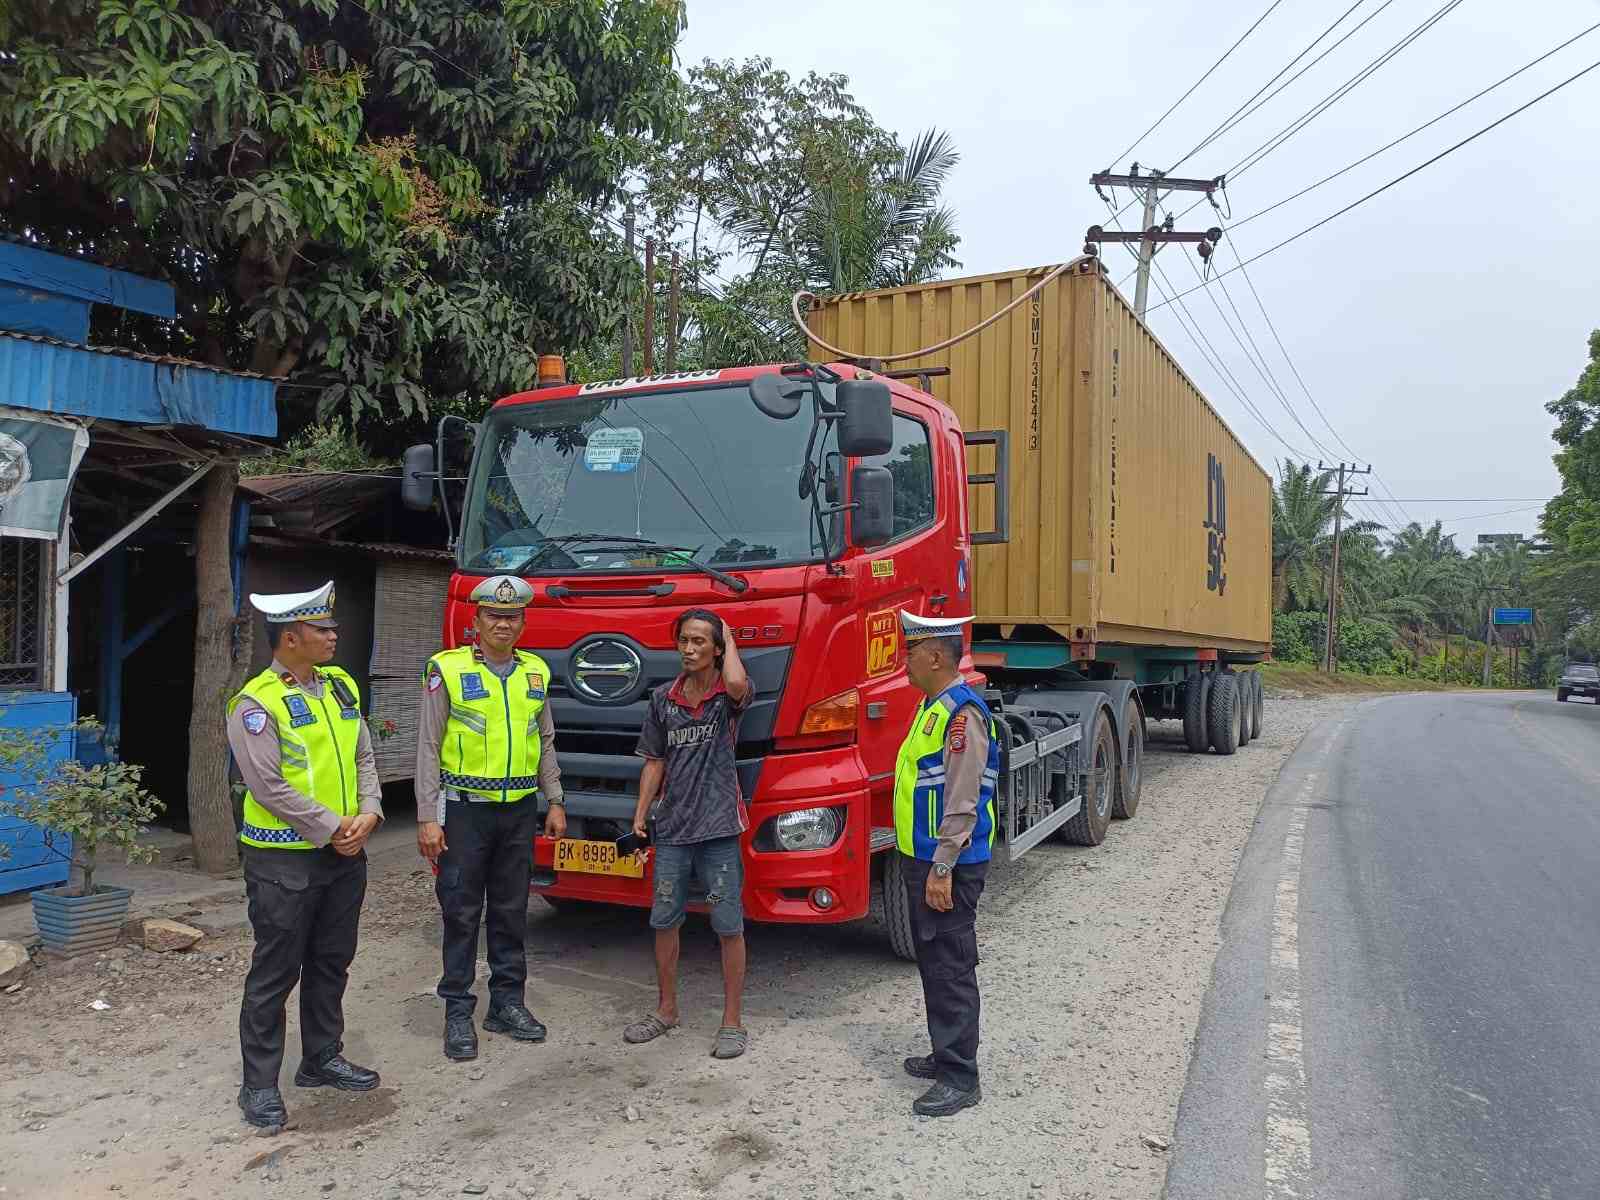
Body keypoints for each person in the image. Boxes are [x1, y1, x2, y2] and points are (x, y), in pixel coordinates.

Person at [226, 581, 383, 1131]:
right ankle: (259, 1084)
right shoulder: (255, 703)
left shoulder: (339, 686)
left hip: (344, 854)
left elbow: (363, 753)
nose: (334, 635)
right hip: (283, 861)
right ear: (290, 637)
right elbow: (266, 786)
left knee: (330, 962)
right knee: (275, 972)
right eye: (323, 629)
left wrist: (369, 811)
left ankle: (321, 1057)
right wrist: (332, 826)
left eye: (332, 627)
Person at [415, 574, 567, 1062]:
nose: (503, 623)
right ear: (476, 620)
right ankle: (458, 1011)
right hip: (463, 812)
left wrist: (556, 799)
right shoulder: (447, 669)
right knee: (460, 913)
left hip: (519, 811)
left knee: (510, 910)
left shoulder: (535, 673)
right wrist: (426, 815)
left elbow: (543, 739)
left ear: (523, 622)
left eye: (512, 616)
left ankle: (507, 1004)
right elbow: (428, 746)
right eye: (494, 615)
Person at [622, 608, 752, 1059]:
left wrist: (729, 639)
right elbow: (654, 761)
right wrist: (640, 815)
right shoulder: (662, 699)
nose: (690, 648)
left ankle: (732, 1023)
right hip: (674, 829)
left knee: (727, 924)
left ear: (716, 649)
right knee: (663, 921)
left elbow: (737, 684)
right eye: (684, 641)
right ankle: (666, 1010)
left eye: (700, 641)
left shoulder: (725, 698)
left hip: (718, 829)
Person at [892, 610, 999, 1117]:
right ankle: (945, 1052)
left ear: (935, 656)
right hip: (927, 856)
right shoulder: (932, 706)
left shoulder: (961, 714)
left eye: (910, 652)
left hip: (947, 863)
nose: (904, 661)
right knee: (934, 960)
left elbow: (963, 797)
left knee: (951, 965)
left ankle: (961, 1077)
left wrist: (942, 867)